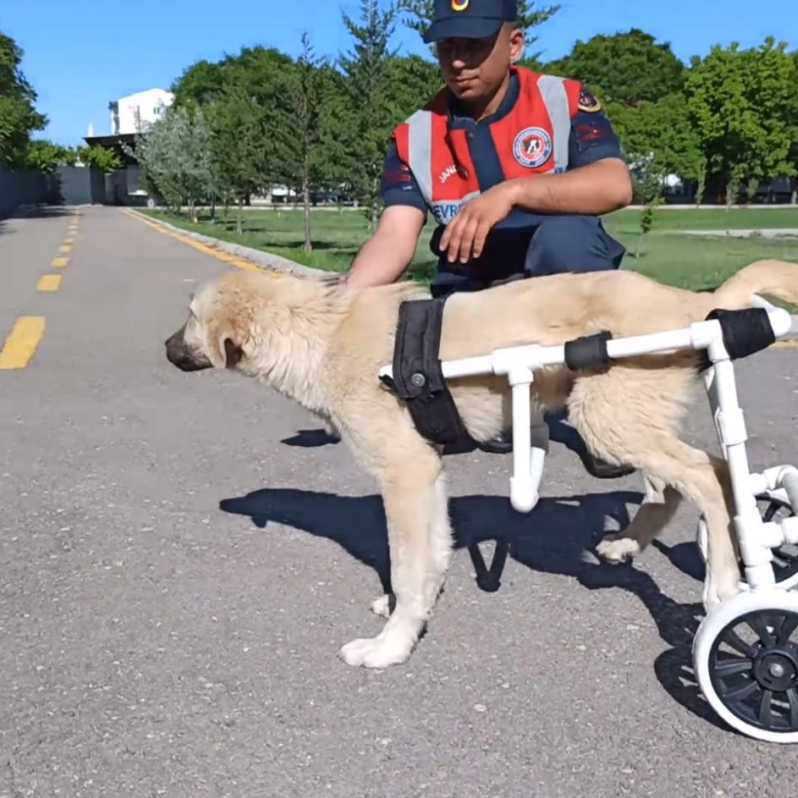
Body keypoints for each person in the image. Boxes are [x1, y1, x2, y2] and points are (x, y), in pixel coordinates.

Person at [345, 0, 634, 477]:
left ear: (514, 44)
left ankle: (600, 412)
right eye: (447, 46)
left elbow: (615, 184)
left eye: (475, 45)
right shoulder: (415, 135)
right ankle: (501, 403)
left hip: (558, 274)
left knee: (564, 239)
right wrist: (342, 308)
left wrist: (513, 192)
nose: (459, 61)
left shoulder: (563, 100)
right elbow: (395, 236)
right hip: (475, 291)